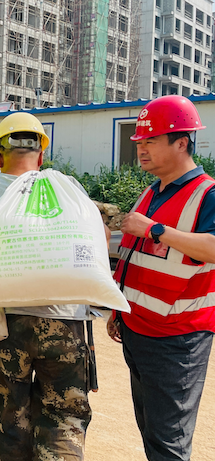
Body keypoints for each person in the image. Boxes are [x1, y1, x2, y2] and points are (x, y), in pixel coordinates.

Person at [0, 112, 92, 461]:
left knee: (12, 417)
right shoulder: (69, 189)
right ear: (42, 152)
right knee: (63, 418)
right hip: (65, 321)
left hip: (7, 325)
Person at [107, 95, 215, 461]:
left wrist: (156, 229)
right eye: (140, 142)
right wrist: (119, 310)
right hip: (139, 330)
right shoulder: (151, 192)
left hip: (178, 339)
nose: (142, 149)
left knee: (169, 442)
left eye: (151, 141)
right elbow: (136, 261)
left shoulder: (207, 194)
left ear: (181, 142)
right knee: (152, 432)